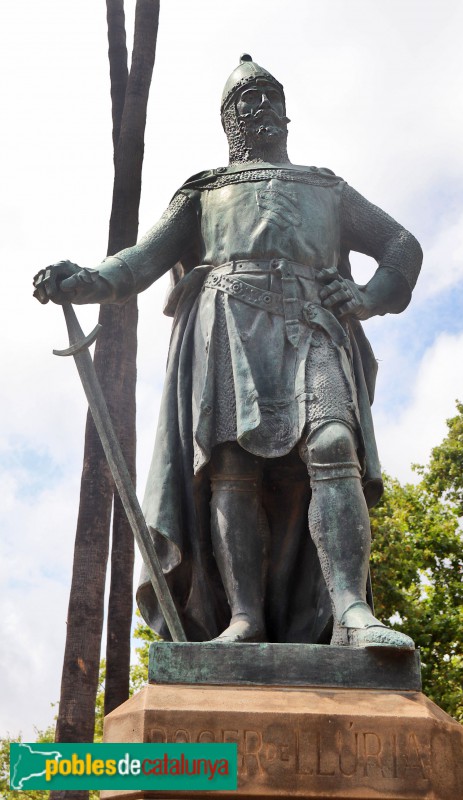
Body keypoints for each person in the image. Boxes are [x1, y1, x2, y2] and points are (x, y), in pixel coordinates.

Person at [34, 55, 422, 649]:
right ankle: (243, 618)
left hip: (311, 324)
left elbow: (400, 244)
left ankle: (351, 609)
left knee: (333, 443)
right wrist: (87, 280)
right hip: (228, 328)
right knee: (232, 467)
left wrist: (368, 297)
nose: (262, 105)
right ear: (229, 120)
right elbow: (140, 261)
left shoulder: (326, 188)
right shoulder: (205, 190)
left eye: (271, 96)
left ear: (287, 112)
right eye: (248, 99)